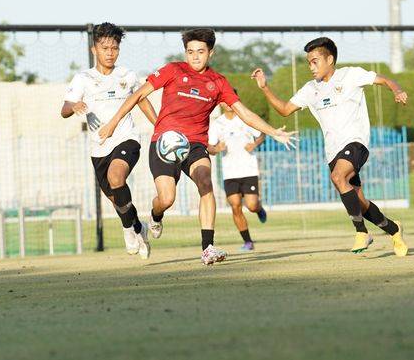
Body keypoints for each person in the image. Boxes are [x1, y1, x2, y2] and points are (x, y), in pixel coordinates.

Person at [99, 28, 297, 265]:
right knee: (167, 198)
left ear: (210, 53)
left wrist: (273, 131)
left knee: (206, 184)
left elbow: (244, 113)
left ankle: (207, 248)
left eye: (200, 52)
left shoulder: (218, 82)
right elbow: (138, 95)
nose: (194, 57)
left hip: (195, 145)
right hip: (165, 143)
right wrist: (113, 123)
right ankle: (155, 215)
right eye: (190, 52)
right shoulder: (173, 70)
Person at [251, 36, 409, 256]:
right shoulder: (310, 89)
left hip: (356, 143)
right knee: (360, 202)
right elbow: (285, 109)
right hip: (332, 151)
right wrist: (265, 87)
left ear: (330, 59)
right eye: (309, 62)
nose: (311, 67)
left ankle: (361, 231)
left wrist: (397, 90)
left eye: (315, 61)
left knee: (337, 177)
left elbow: (383, 79)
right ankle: (394, 229)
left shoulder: (350, 75)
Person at [61, 22, 158, 259]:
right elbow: (64, 109)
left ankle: (127, 230)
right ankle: (138, 227)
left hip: (126, 139)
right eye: (105, 48)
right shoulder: (83, 78)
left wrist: (160, 125)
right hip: (99, 148)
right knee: (118, 200)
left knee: (117, 177)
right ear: (94, 49)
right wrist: (75, 106)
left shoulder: (127, 76)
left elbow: (142, 100)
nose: (110, 52)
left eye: (114, 48)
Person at [208, 91, 267, 251]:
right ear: (220, 103)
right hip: (230, 172)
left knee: (251, 205)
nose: (227, 103)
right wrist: (216, 148)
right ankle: (248, 241)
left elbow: (261, 135)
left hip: (248, 169)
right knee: (235, 206)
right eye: (224, 101)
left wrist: (255, 144)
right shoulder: (217, 124)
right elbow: (210, 147)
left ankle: (259, 209)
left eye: (229, 100)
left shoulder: (245, 118)